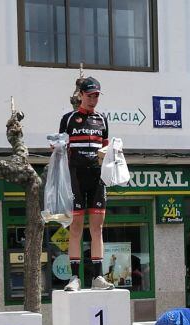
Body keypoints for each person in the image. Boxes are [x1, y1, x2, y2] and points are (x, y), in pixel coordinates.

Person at [59, 76, 114, 291]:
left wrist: (112, 153)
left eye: (97, 96)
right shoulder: (69, 118)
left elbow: (106, 149)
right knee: (76, 228)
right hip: (76, 177)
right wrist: (56, 148)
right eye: (90, 95)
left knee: (97, 227)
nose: (93, 100)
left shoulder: (102, 120)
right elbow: (61, 145)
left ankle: (97, 277)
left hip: (97, 178)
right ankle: (74, 278)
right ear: (81, 95)